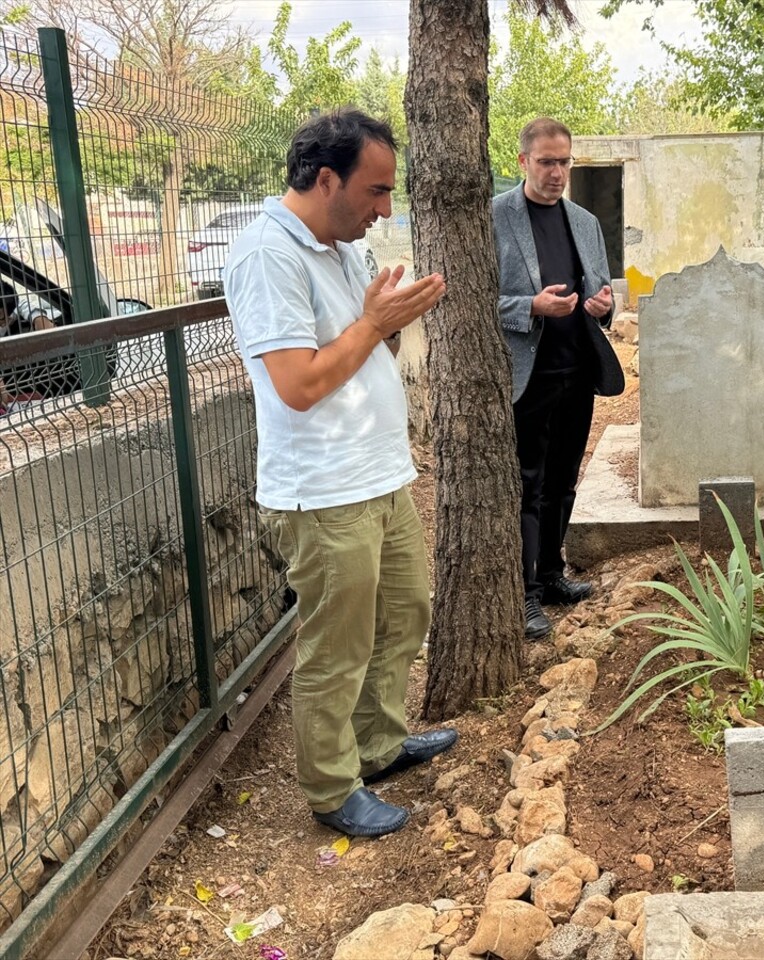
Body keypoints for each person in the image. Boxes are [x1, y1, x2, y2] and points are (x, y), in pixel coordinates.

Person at [225, 108, 458, 838]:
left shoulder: (339, 249)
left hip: (381, 476)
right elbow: (297, 385)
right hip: (324, 493)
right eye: (377, 190)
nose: (386, 208)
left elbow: (362, 361)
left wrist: (378, 327)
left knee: (405, 612)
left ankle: (378, 747)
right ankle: (331, 789)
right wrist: (375, 324)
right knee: (338, 647)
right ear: (327, 179)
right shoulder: (270, 255)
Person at [493, 117, 624, 640]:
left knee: (564, 480)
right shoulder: (496, 217)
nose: (557, 172)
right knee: (527, 483)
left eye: (564, 161)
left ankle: (551, 575)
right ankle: (523, 593)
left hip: (577, 371)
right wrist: (531, 305)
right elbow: (475, 297)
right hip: (528, 376)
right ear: (523, 161)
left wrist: (603, 304)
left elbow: (603, 292)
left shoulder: (585, 221)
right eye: (547, 161)